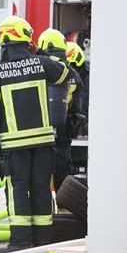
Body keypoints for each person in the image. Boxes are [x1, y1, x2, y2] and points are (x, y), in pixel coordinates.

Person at [0, 16, 70, 253]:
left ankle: (20, 242)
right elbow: (64, 74)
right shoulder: (40, 63)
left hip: (14, 145)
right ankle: (42, 241)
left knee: (18, 189)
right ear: (26, 39)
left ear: (4, 40)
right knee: (41, 188)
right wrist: (46, 53)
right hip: (42, 143)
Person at [37, 29, 84, 192]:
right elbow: (77, 110)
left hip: (38, 135)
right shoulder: (73, 75)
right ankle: (64, 213)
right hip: (62, 137)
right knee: (63, 185)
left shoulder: (37, 68)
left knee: (39, 182)